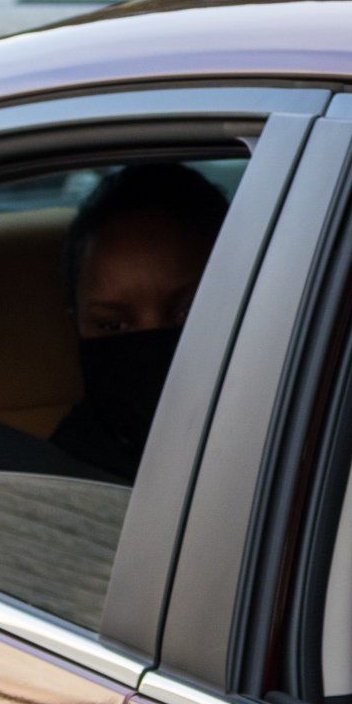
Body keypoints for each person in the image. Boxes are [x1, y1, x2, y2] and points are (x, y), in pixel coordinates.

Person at [49, 163, 227, 480]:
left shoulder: (299, 433)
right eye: (113, 325)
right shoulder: (56, 482)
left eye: (189, 313)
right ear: (76, 325)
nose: (152, 347)